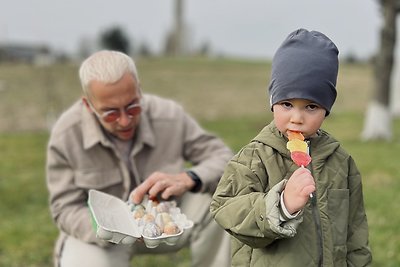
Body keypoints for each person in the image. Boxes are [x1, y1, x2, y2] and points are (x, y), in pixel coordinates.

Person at [46, 50, 233, 267]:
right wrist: (106, 229)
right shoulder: (66, 135)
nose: (125, 121)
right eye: (111, 113)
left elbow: (223, 158)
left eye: (132, 107)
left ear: (139, 90)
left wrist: (190, 177)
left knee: (222, 205)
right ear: (88, 105)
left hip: (167, 219)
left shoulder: (169, 115)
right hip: (101, 237)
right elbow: (64, 207)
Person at [210, 28, 372, 266]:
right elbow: (224, 206)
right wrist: (281, 205)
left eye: (311, 107)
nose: (296, 117)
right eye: (286, 104)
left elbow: (355, 231)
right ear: (272, 102)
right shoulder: (255, 157)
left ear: (326, 109)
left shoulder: (341, 161)